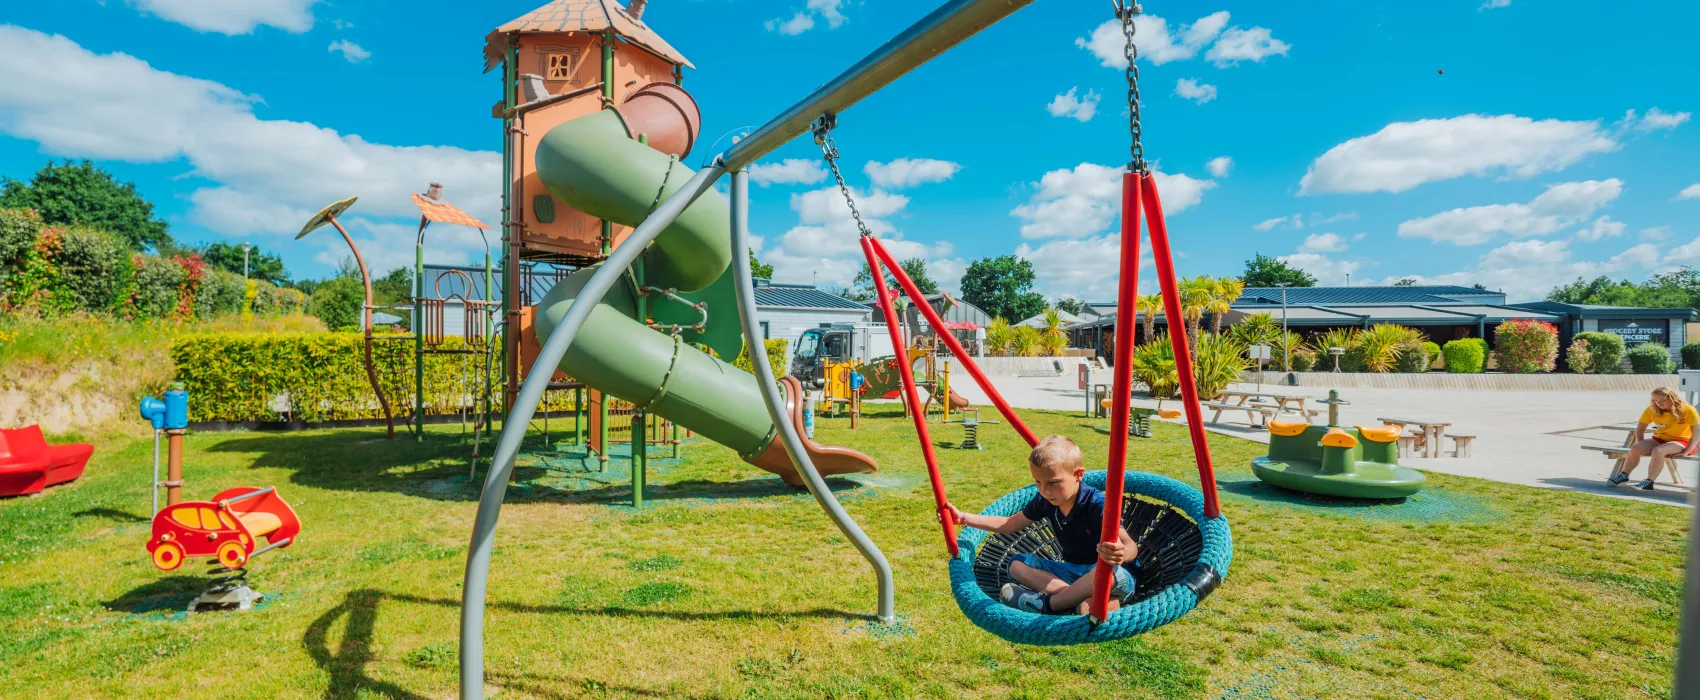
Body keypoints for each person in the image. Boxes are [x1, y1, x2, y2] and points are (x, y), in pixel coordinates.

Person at [951, 435, 1138, 615]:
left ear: (1078, 474)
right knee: (1016, 564)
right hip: (1073, 572)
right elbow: (1009, 523)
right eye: (1038, 482)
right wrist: (963, 518)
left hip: (1116, 576)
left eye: (1053, 482)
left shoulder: (1097, 504)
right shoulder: (1046, 501)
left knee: (1107, 570)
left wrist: (1121, 553)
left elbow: (1130, 546)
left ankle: (1049, 604)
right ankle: (1078, 598)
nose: (1045, 490)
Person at [1609, 386, 1699, 491]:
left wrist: (1686, 451)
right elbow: (1640, 429)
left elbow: (1697, 433)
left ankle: (1649, 482)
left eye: (1662, 400)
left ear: (1672, 398)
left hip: (1683, 442)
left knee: (1659, 451)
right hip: (1661, 439)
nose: (1659, 403)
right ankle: (1624, 475)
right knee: (1635, 448)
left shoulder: (1688, 409)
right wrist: (1642, 445)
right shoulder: (1652, 410)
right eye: (1655, 400)